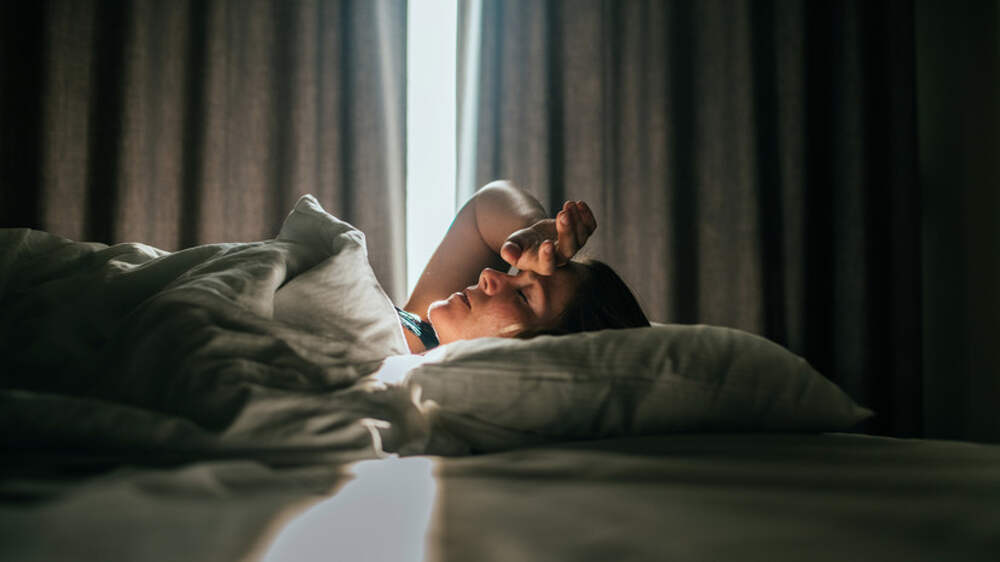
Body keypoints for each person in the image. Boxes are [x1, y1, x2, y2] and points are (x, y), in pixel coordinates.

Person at [398, 180, 649, 353]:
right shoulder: (418, 334)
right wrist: (532, 232)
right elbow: (486, 203)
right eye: (517, 272)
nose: (488, 274)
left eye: (522, 296)